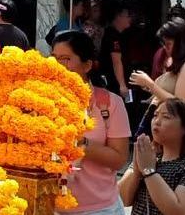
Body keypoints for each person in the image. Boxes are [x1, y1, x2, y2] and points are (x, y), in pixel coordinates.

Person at [52, 31, 130, 215]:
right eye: (54, 58)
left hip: (99, 209)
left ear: (87, 65)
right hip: (50, 206)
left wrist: (80, 142)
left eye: (65, 59)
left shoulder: (110, 104)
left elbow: (119, 159)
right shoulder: (40, 101)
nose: (57, 66)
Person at [119, 98, 185, 215]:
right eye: (155, 115)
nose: (157, 121)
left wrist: (149, 172)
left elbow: (179, 211)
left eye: (166, 117)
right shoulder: (150, 157)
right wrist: (136, 172)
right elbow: (122, 199)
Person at [130, 19, 185, 138]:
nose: (165, 48)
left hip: (177, 129)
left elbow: (181, 104)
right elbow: (167, 92)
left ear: (181, 43)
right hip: (163, 123)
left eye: (169, 44)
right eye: (164, 44)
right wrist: (149, 87)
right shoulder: (176, 62)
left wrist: (150, 84)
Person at [99, 7, 136, 99]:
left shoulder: (121, 35)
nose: (130, 19)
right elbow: (116, 61)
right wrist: (122, 85)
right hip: (114, 83)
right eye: (128, 16)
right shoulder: (112, 35)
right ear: (118, 16)